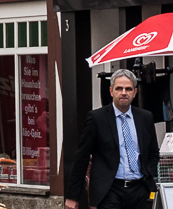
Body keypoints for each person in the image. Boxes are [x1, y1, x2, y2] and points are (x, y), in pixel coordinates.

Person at [67, 69, 159, 209]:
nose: (123, 92)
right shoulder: (97, 118)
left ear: (134, 92)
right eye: (119, 88)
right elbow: (82, 158)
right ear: (111, 91)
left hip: (139, 190)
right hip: (109, 190)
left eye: (128, 89)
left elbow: (153, 153)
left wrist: (149, 177)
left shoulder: (145, 118)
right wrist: (73, 197)